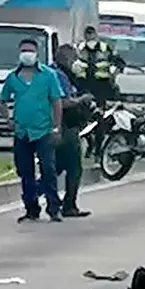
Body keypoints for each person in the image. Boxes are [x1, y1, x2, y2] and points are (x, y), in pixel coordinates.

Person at [0, 38, 65, 223]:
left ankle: (53, 207)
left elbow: (56, 102)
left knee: (48, 169)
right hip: (22, 131)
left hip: (43, 130)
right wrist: (8, 119)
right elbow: (2, 99)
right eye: (24, 50)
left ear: (37, 54)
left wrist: (56, 127)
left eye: (30, 50)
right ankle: (31, 208)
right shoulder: (13, 77)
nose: (27, 54)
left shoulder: (48, 75)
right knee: (25, 171)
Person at [49, 44, 94, 218]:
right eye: (74, 59)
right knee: (74, 167)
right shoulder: (59, 75)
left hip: (59, 125)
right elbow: (63, 102)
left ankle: (36, 197)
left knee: (58, 166)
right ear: (66, 59)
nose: (76, 62)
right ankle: (68, 205)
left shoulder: (54, 73)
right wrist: (81, 100)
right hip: (64, 126)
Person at [71, 25, 124, 103]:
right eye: (88, 33)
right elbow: (71, 63)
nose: (89, 36)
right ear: (85, 35)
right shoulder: (79, 47)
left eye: (91, 33)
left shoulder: (104, 47)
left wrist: (114, 75)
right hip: (83, 84)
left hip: (102, 84)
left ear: (95, 34)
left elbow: (118, 62)